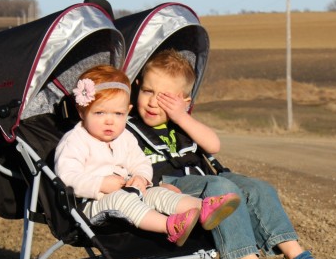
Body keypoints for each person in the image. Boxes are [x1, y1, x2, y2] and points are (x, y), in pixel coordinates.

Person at [127, 49, 336, 259]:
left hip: (202, 180)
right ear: (137, 87)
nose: (153, 102)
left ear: (185, 102)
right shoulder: (127, 129)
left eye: (166, 98)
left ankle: (294, 254)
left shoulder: (183, 124)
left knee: (258, 188)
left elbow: (214, 145)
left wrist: (181, 117)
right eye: (148, 92)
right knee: (222, 187)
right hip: (170, 189)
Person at [54, 64, 240, 247]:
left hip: (130, 193)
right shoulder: (75, 140)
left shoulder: (124, 137)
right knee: (121, 200)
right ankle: (170, 226)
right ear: (82, 112)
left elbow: (140, 162)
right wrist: (100, 184)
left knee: (158, 193)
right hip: (92, 205)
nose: (109, 121)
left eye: (118, 114)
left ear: (127, 111)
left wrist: (141, 178)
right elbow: (66, 178)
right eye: (100, 112)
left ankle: (203, 207)